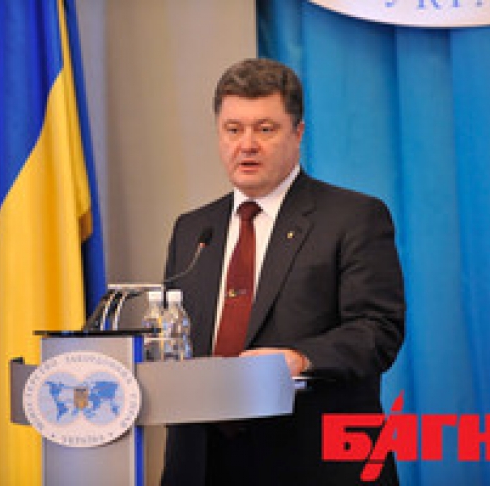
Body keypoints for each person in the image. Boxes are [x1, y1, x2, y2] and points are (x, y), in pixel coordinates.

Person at [161, 58, 405, 486]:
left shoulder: (353, 217)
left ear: (298, 133)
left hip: (313, 462)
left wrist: (301, 358)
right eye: (233, 129)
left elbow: (377, 331)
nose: (247, 145)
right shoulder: (193, 229)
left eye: (265, 129)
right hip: (201, 465)